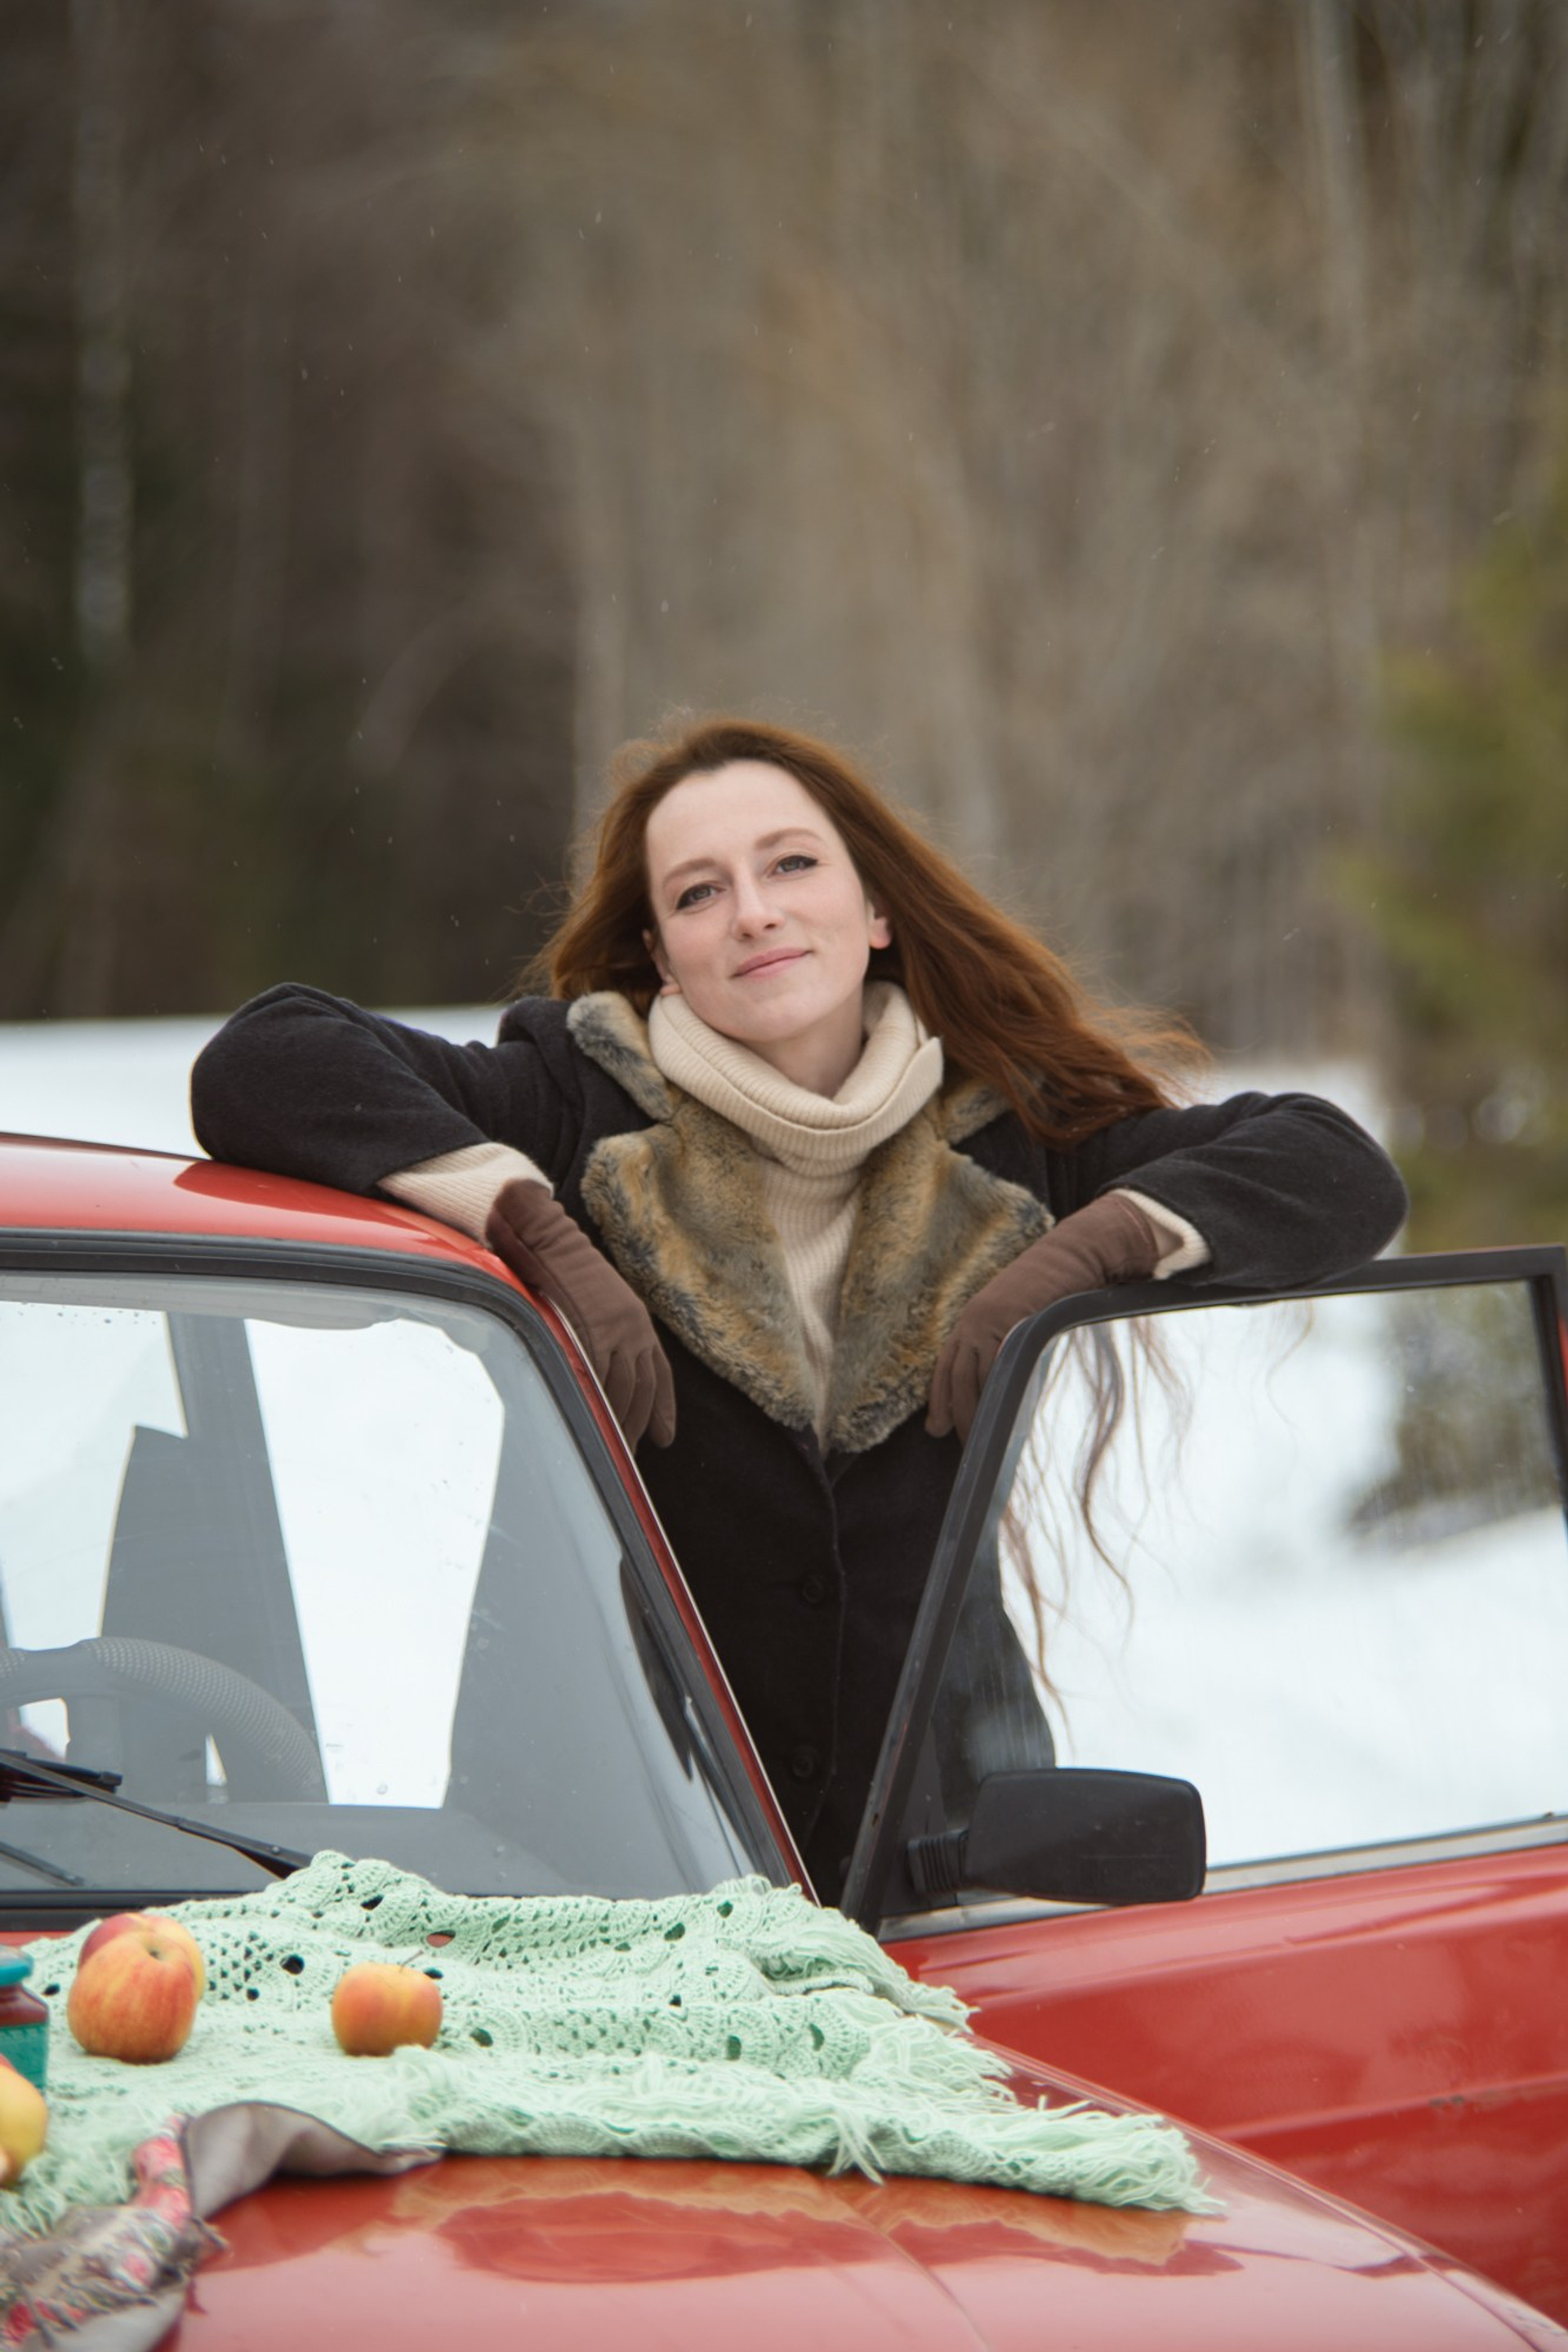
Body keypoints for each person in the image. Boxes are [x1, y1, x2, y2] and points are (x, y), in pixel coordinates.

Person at [191, 715, 1408, 1896]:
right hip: (599, 1861)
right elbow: (268, 1056)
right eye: (700, 892)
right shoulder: (571, 1103)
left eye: (789, 865)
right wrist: (534, 1229)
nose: (754, 911)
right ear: (662, 955)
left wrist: (1083, 1252)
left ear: (874, 910)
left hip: (933, 1856)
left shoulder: (1018, 1135)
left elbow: (1337, 1168)